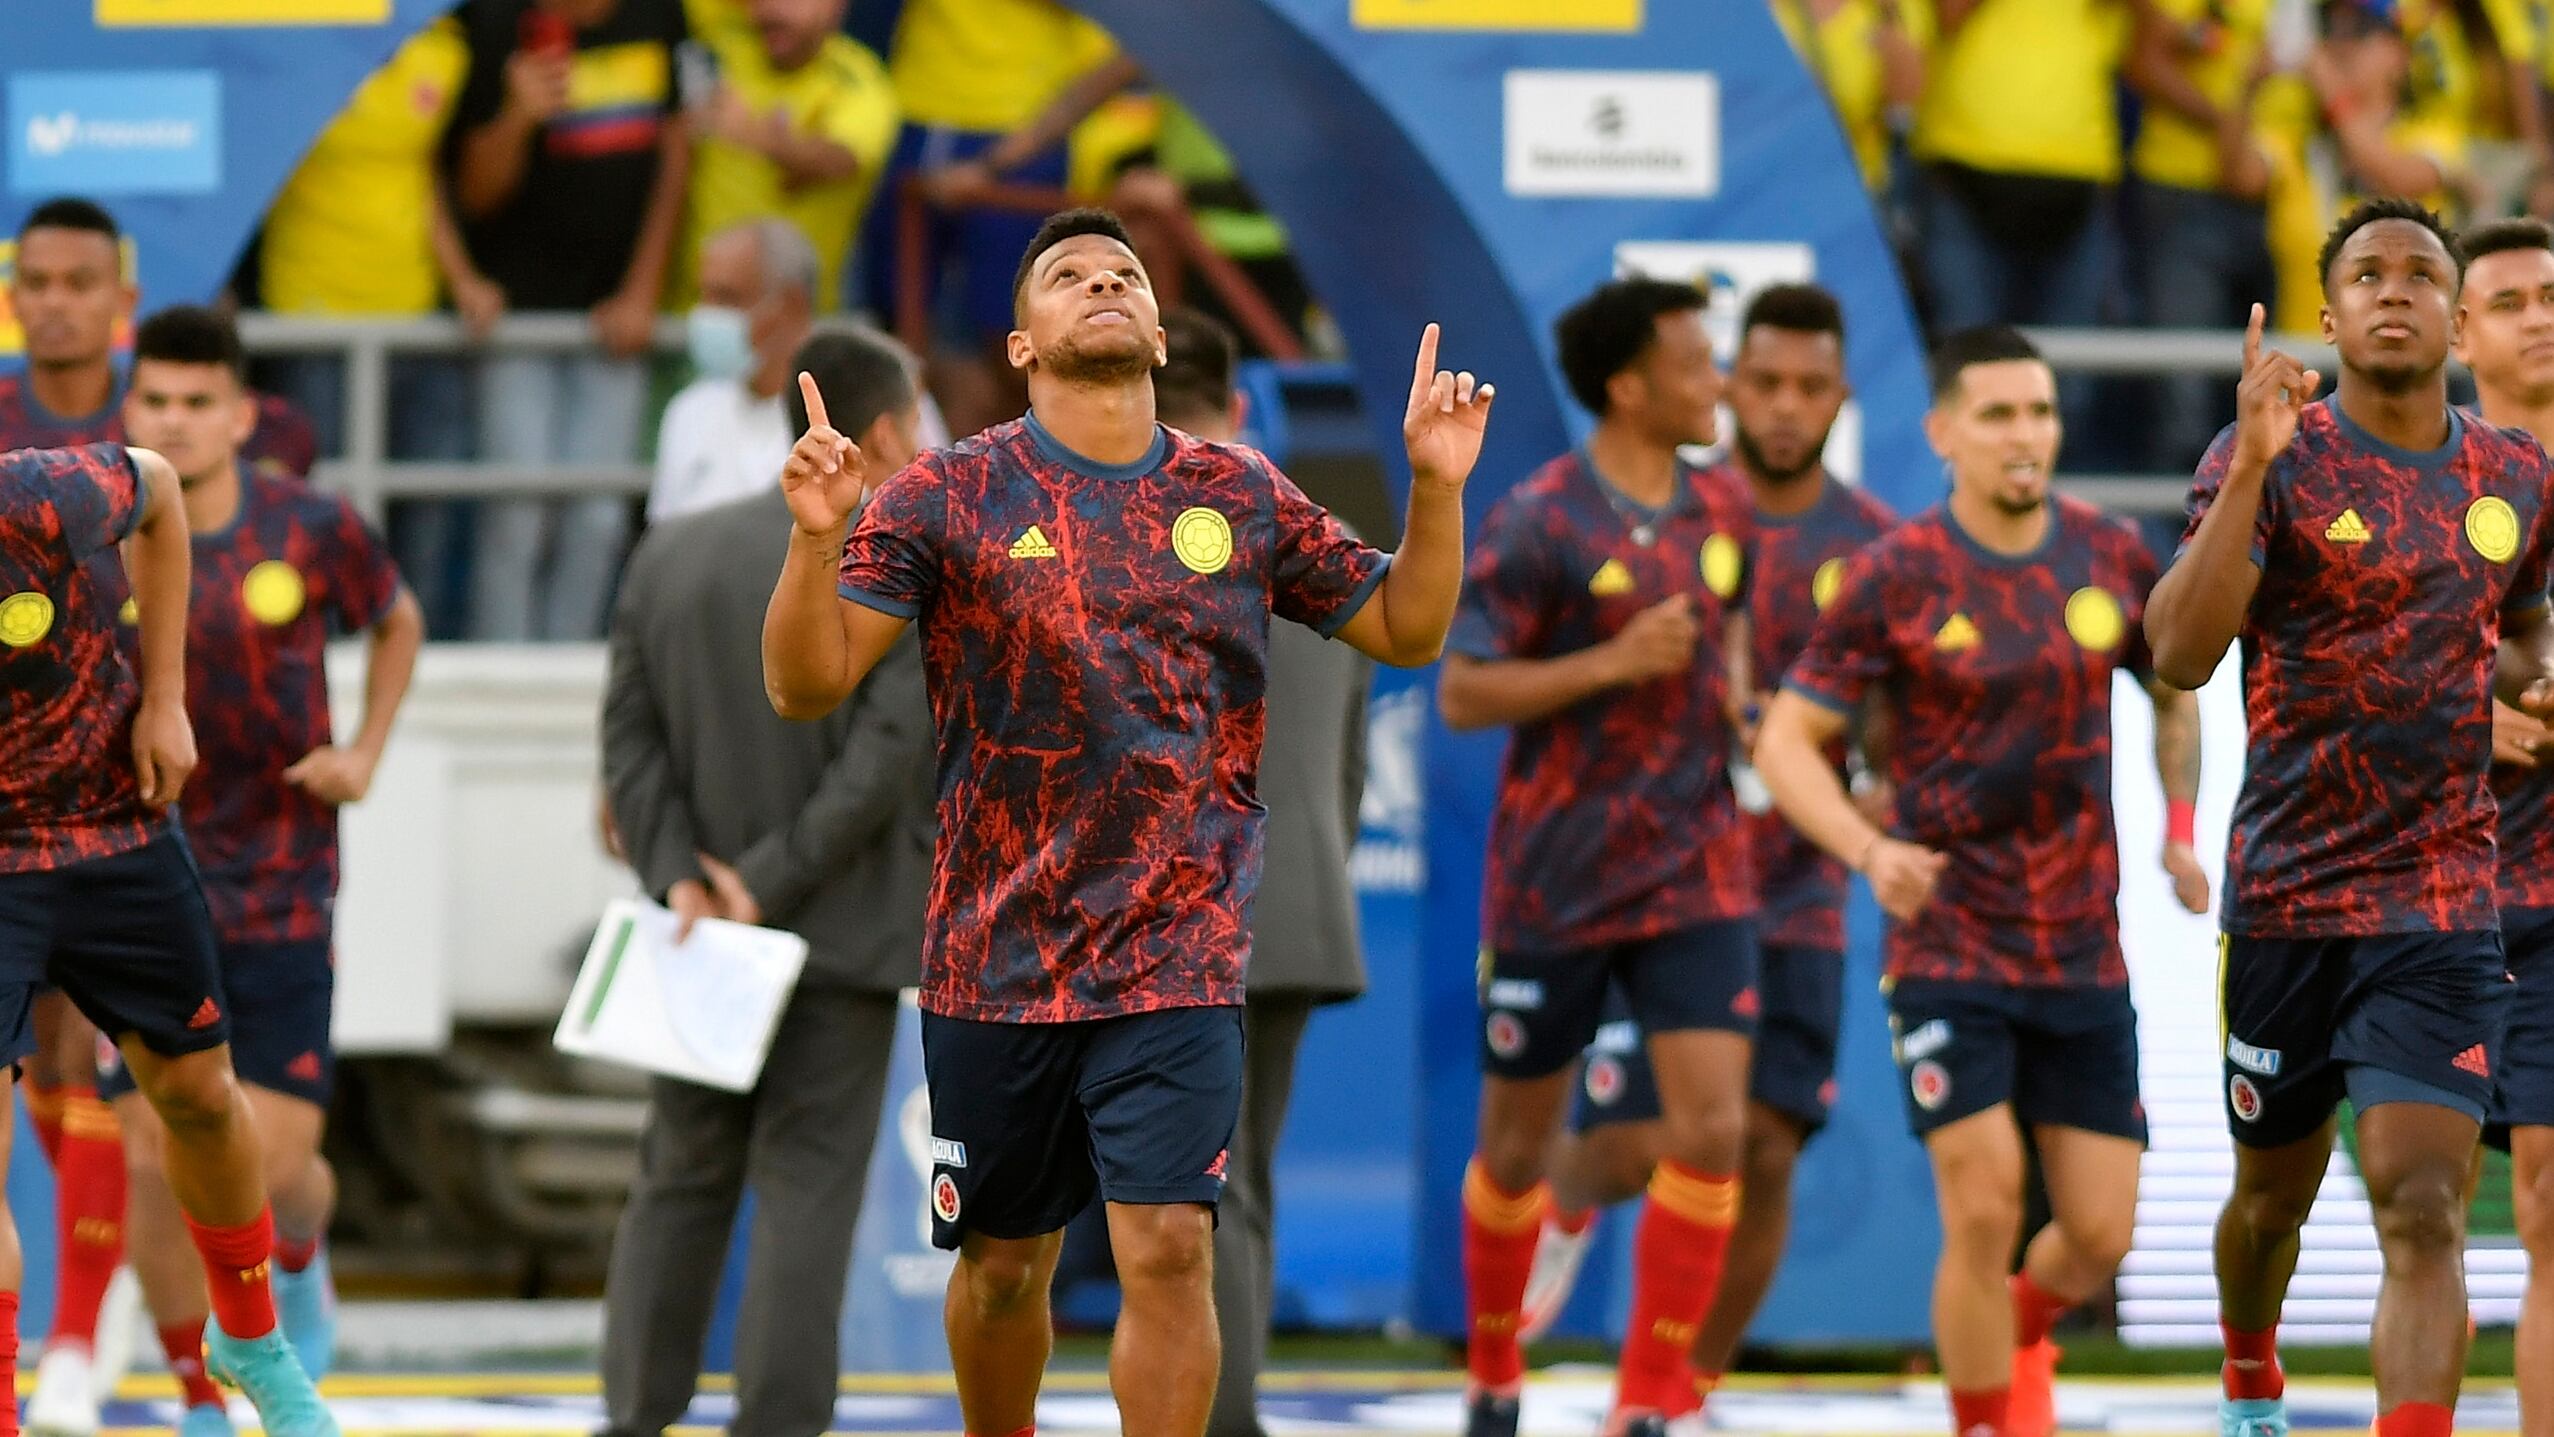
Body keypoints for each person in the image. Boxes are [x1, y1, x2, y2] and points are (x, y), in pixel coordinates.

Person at [762, 207, 1489, 1437]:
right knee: (1002, 1272)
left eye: (1125, 274)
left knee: (1168, 1253)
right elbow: (804, 681)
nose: (1102, 283)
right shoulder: (948, 493)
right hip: (994, 958)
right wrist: (815, 534)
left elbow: (1409, 630)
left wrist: (1432, 486)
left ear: (1157, 333)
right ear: (1021, 343)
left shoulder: (1241, 493)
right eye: (1067, 276)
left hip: (1181, 952)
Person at [2143, 198, 2554, 1437]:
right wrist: (2256, 464)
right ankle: (2249, 1365)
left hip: (2440, 899)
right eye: (2364, 275)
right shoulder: (2272, 453)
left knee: (2422, 1206)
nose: (2392, 291)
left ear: (2452, 315)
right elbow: (2175, 649)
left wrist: (2524, 686)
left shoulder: (2517, 477)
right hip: (2286, 898)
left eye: (2417, 274)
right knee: (2270, 1204)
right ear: (2327, 316)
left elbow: (2517, 617)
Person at [1756, 326, 2207, 1437]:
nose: (2025, 435)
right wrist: (1868, 853)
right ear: (1943, 432)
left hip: (2080, 947)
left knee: (2100, 1235)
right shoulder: (1894, 574)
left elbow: (2177, 688)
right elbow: (1782, 744)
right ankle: (1982, 1421)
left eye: (2040, 413)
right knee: (1985, 1194)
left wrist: (2181, 830)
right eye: (1999, 413)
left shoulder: (2109, 552)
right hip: (1948, 947)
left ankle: (2018, 1322)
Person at [1513, 286, 1901, 1399]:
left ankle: (1680, 1393)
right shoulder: (1678, 510)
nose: (1784, 407)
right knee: (1637, 1145)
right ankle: (1569, 1200)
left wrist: (1881, 786)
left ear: (1839, 396)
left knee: (1764, 1149)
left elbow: (1896, 717)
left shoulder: (1874, 544)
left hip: (1800, 892)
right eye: (1763, 383)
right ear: (1728, 388)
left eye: (1808, 387)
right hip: (1666, 880)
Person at [599, 325, 934, 1437]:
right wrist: (767, 883)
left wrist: (681, 880)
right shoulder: (890, 566)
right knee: (807, 1195)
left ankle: (635, 1416)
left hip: (699, 936)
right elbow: (888, 755)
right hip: (832, 935)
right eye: (920, 421)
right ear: (882, 431)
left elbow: (628, 740)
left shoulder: (669, 553)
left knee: (678, 1181)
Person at [1436, 276, 1756, 1437]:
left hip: (1695, 867)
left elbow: (1732, 658)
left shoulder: (1722, 514)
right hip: (1555, 876)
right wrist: (1608, 665)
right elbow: (1465, 692)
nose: (1715, 382)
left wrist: (1747, 711)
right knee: (1517, 1148)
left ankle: (1647, 1404)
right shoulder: (1540, 519)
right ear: (1628, 384)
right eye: (1694, 361)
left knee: (1714, 1128)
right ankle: (1492, 1373)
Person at [101, 305, 424, 1422]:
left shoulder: (313, 526)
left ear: (242, 417)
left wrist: (365, 749)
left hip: (285, 877)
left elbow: (398, 620)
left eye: (199, 404)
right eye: (157, 402)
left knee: (271, 1162)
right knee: (150, 1160)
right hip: (135, 871)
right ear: (128, 411)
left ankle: (297, 1246)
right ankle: (200, 1388)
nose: (176, 423)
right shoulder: (90, 529)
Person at [0, 436, 343, 1437]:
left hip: (117, 835)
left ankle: (250, 1341)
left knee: (198, 1099)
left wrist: (164, 698)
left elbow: (155, 485)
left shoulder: (39, 495)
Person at [1144, 307, 1374, 1437]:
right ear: (1239, 405)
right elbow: (1348, 768)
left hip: (1162, 918)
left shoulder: (1116, 528)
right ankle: (1225, 1410)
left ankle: (1218, 1423)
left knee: (1184, 1196)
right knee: (1239, 1188)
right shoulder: (1315, 534)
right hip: (1297, 905)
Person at [2, 197, 150, 1431]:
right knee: (45, 1062)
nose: (51, 299)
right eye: (31, 279)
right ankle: (84, 1301)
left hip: (134, 791)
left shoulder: (154, 428)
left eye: (75, 280)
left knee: (109, 1057)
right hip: (12, 793)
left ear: (121, 300)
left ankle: (73, 1329)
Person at [446, 0, 692, 641]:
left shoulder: (660, 16)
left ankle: (575, 671)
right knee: (517, 513)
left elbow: (676, 154)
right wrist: (518, 117)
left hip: (615, 323)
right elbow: (472, 192)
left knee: (599, 518)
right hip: (517, 317)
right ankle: (501, 681)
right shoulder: (497, 23)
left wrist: (645, 289)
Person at [256, 12, 493, 637]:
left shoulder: (443, 47)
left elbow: (424, 176)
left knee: (428, 503)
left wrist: (462, 277)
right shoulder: (295, 41)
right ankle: (326, 651)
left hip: (418, 318)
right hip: (313, 321)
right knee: (328, 506)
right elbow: (247, 165)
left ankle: (423, 650)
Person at [2453, 213, 2554, 1437]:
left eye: (2553, 292)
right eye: (2512, 299)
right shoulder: (2420, 477)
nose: (2540, 314)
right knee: (2417, 1213)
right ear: (2458, 327)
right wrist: (2458, 718)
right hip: (2429, 896)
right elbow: (2312, 665)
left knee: (2543, 1202)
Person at [866, 0, 1118, 433]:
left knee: (1017, 343)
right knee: (899, 340)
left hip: (1020, 134)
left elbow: (1137, 51)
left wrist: (1012, 154)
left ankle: (1078, 470)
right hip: (914, 120)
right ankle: (948, 478)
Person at [678, 0, 899, 312]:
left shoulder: (858, 83)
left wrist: (754, 136)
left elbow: (840, 160)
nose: (770, 11)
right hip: (683, 320)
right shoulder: (724, 41)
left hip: (796, 325)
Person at [649, 220, 819, 523]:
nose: (707, 315)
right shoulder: (689, 411)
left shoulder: (861, 402)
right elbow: (665, 543)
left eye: (727, 298)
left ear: (792, 305)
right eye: (703, 296)